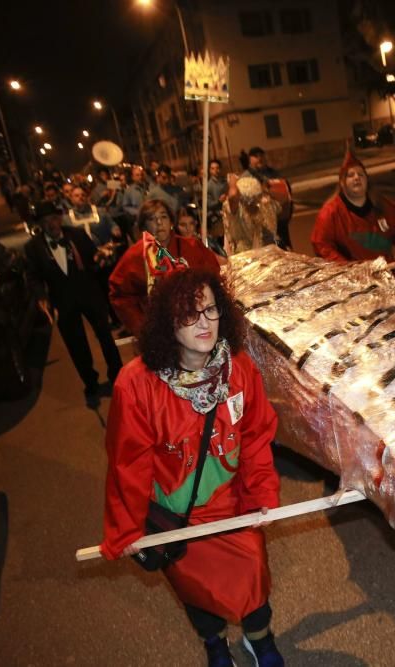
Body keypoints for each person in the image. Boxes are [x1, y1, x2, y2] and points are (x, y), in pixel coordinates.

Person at [100, 268, 285, 666]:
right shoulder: (135, 385)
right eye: (189, 312)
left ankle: (260, 638)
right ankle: (215, 645)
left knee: (252, 572)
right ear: (168, 320)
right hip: (176, 514)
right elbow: (127, 463)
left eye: (211, 309)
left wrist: (262, 493)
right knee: (194, 588)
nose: (204, 322)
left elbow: (255, 436)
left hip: (231, 504)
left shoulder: (240, 368)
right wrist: (128, 528)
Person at [24, 201, 123, 408]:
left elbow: (92, 261)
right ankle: (90, 383)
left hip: (89, 295)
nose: (51, 224)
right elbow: (33, 277)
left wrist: (101, 259)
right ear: (40, 225)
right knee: (77, 345)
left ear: (59, 218)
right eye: (45, 222)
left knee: (105, 335)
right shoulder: (33, 247)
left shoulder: (76, 235)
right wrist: (42, 296)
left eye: (53, 219)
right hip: (63, 301)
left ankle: (118, 374)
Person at [109, 200, 220, 337]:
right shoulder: (135, 256)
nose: (159, 223)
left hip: (197, 323)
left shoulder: (192, 246)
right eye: (151, 218)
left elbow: (214, 277)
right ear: (144, 226)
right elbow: (120, 295)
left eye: (163, 217)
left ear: (171, 222)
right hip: (159, 331)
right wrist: (142, 327)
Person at [310, 149, 395, 275]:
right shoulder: (330, 213)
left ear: (367, 180)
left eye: (361, 174)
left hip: (387, 277)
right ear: (342, 182)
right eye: (350, 175)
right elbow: (322, 245)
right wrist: (348, 269)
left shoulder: (384, 206)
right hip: (354, 283)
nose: (357, 177)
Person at [244, 147, 292, 250]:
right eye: (256, 156)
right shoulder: (246, 177)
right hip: (262, 223)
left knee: (285, 248)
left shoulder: (272, 172)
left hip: (279, 218)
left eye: (261, 155)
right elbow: (245, 200)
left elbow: (284, 187)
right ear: (250, 159)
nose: (259, 158)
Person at [222, 175, 280, 255]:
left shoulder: (262, 209)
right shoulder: (236, 211)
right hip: (244, 257)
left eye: (256, 199)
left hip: (263, 256)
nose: (254, 204)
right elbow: (233, 195)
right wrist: (232, 182)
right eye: (251, 200)